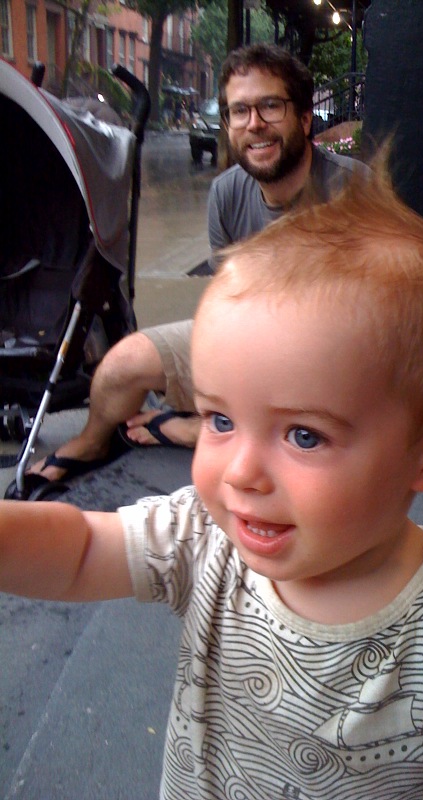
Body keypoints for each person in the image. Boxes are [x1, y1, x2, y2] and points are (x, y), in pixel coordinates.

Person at [3, 167, 423, 800]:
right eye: (220, 420)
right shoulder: (202, 539)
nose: (240, 473)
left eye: (304, 436)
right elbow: (80, 551)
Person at [25, 43, 369, 489]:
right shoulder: (226, 193)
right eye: (239, 111)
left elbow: (369, 325)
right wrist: (218, 365)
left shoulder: (354, 189)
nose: (255, 124)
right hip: (248, 343)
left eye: (270, 106)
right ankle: (94, 441)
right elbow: (227, 304)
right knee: (122, 363)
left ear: (304, 118)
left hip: (325, 360)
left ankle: (200, 429)